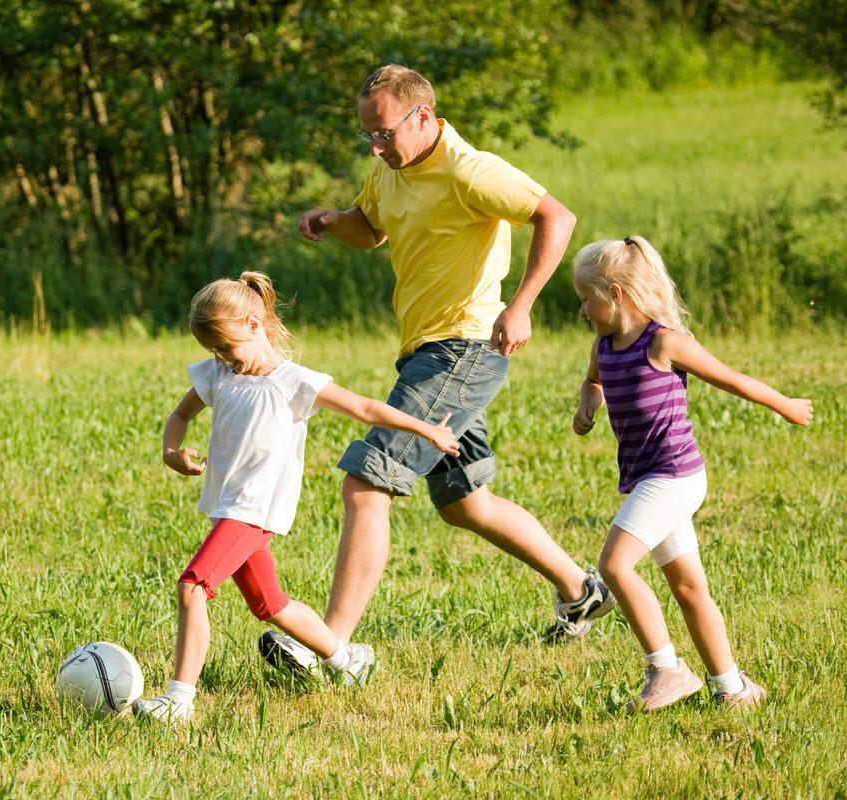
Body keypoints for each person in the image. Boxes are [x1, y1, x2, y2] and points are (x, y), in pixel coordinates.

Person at [262, 64, 609, 678]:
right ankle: (581, 590)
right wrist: (333, 222)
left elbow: (558, 217)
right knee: (465, 503)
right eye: (366, 133)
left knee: (368, 481)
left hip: (462, 349)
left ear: (422, 116)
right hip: (426, 351)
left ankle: (332, 649)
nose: (374, 144)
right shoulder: (389, 170)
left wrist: (521, 304)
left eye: (383, 131)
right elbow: (371, 229)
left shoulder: (470, 169)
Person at [134, 271, 460, 723]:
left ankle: (179, 700)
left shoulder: (295, 382)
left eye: (228, 347)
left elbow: (365, 408)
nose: (224, 359)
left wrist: (426, 429)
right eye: (215, 352)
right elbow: (180, 414)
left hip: (252, 511)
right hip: (226, 508)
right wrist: (172, 451)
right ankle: (347, 662)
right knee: (271, 604)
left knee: (193, 586)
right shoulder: (219, 374)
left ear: (254, 324)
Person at [571, 235, 812, 711]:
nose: (582, 310)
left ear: (616, 292)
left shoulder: (664, 342)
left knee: (615, 565)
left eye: (587, 299)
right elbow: (594, 380)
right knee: (687, 587)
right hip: (648, 479)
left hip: (675, 476)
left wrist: (784, 404)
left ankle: (667, 669)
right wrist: (587, 407)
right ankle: (733, 689)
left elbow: (733, 379)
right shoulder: (604, 346)